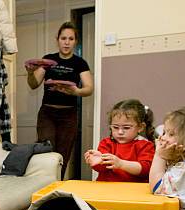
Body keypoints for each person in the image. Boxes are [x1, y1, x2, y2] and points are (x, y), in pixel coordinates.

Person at [26, 21, 94, 179]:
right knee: (46, 151)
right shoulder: (47, 60)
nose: (67, 42)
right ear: (57, 39)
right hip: (47, 113)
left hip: (68, 115)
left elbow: (89, 88)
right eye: (63, 38)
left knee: (63, 155)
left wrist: (76, 91)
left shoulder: (80, 63)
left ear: (75, 41)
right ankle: (42, 185)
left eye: (71, 39)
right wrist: (30, 73)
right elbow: (34, 84)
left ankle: (57, 187)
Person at [84, 99, 155, 183]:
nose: (120, 132)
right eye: (115, 127)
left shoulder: (145, 145)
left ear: (140, 127)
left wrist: (121, 164)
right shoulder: (106, 143)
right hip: (107, 190)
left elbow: (146, 170)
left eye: (126, 128)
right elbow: (101, 169)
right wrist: (98, 161)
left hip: (134, 191)